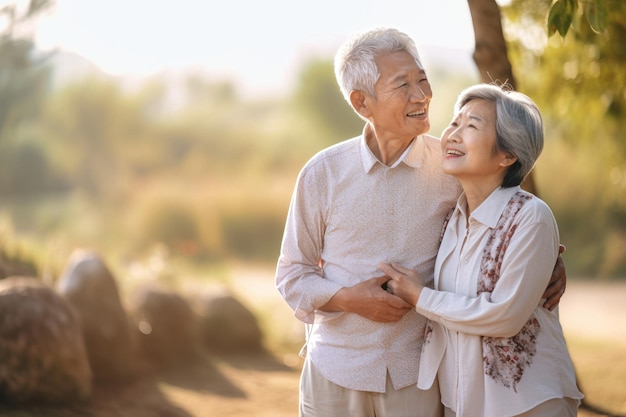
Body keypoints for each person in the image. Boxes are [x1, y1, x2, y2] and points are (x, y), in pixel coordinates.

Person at [275, 27, 567, 417]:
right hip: (334, 370)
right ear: (362, 103)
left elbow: (506, 219)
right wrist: (348, 299)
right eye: (403, 85)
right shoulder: (323, 174)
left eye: (423, 79)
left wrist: (549, 260)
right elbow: (292, 275)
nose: (422, 95)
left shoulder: (453, 167)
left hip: (419, 375)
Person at [380, 83, 583, 417]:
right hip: (462, 403)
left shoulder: (530, 216)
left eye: (472, 125)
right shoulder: (453, 219)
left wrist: (420, 297)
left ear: (508, 155)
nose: (454, 134)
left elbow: (504, 316)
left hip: (526, 405)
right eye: (455, 123)